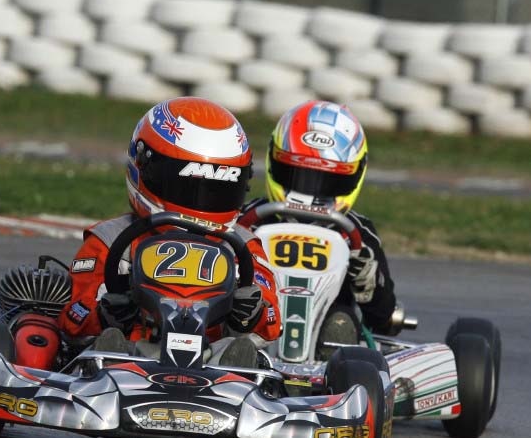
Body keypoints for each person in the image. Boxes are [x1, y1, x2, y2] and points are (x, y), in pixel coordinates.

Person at [57, 97, 281, 367]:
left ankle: (238, 380)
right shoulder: (112, 239)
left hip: (213, 367)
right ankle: (108, 362)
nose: (200, 202)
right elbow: (74, 319)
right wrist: (106, 315)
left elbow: (270, 323)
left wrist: (251, 313)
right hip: (131, 360)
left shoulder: (243, 246)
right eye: (188, 188)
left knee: (239, 349)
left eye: (215, 190)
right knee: (108, 346)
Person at [238, 100, 397, 352]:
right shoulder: (246, 218)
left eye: (329, 182)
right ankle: (241, 354)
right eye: (296, 176)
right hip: (256, 333)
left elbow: (384, 319)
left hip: (329, 359)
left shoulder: (357, 233)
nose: (311, 193)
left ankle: (337, 354)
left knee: (341, 321)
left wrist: (367, 285)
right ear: (274, 162)